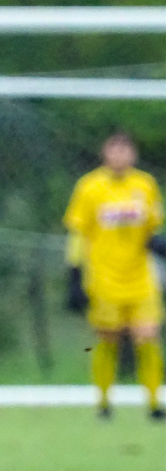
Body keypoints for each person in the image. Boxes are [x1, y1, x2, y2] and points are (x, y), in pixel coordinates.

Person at [64, 131, 164, 420]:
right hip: (104, 278)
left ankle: (154, 403)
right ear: (104, 152)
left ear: (133, 154)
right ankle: (104, 403)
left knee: (148, 336)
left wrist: (157, 243)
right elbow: (78, 233)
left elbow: (151, 230)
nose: (120, 155)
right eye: (114, 149)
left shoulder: (144, 185)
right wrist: (74, 273)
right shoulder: (90, 186)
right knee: (108, 339)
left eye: (126, 149)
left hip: (140, 277)